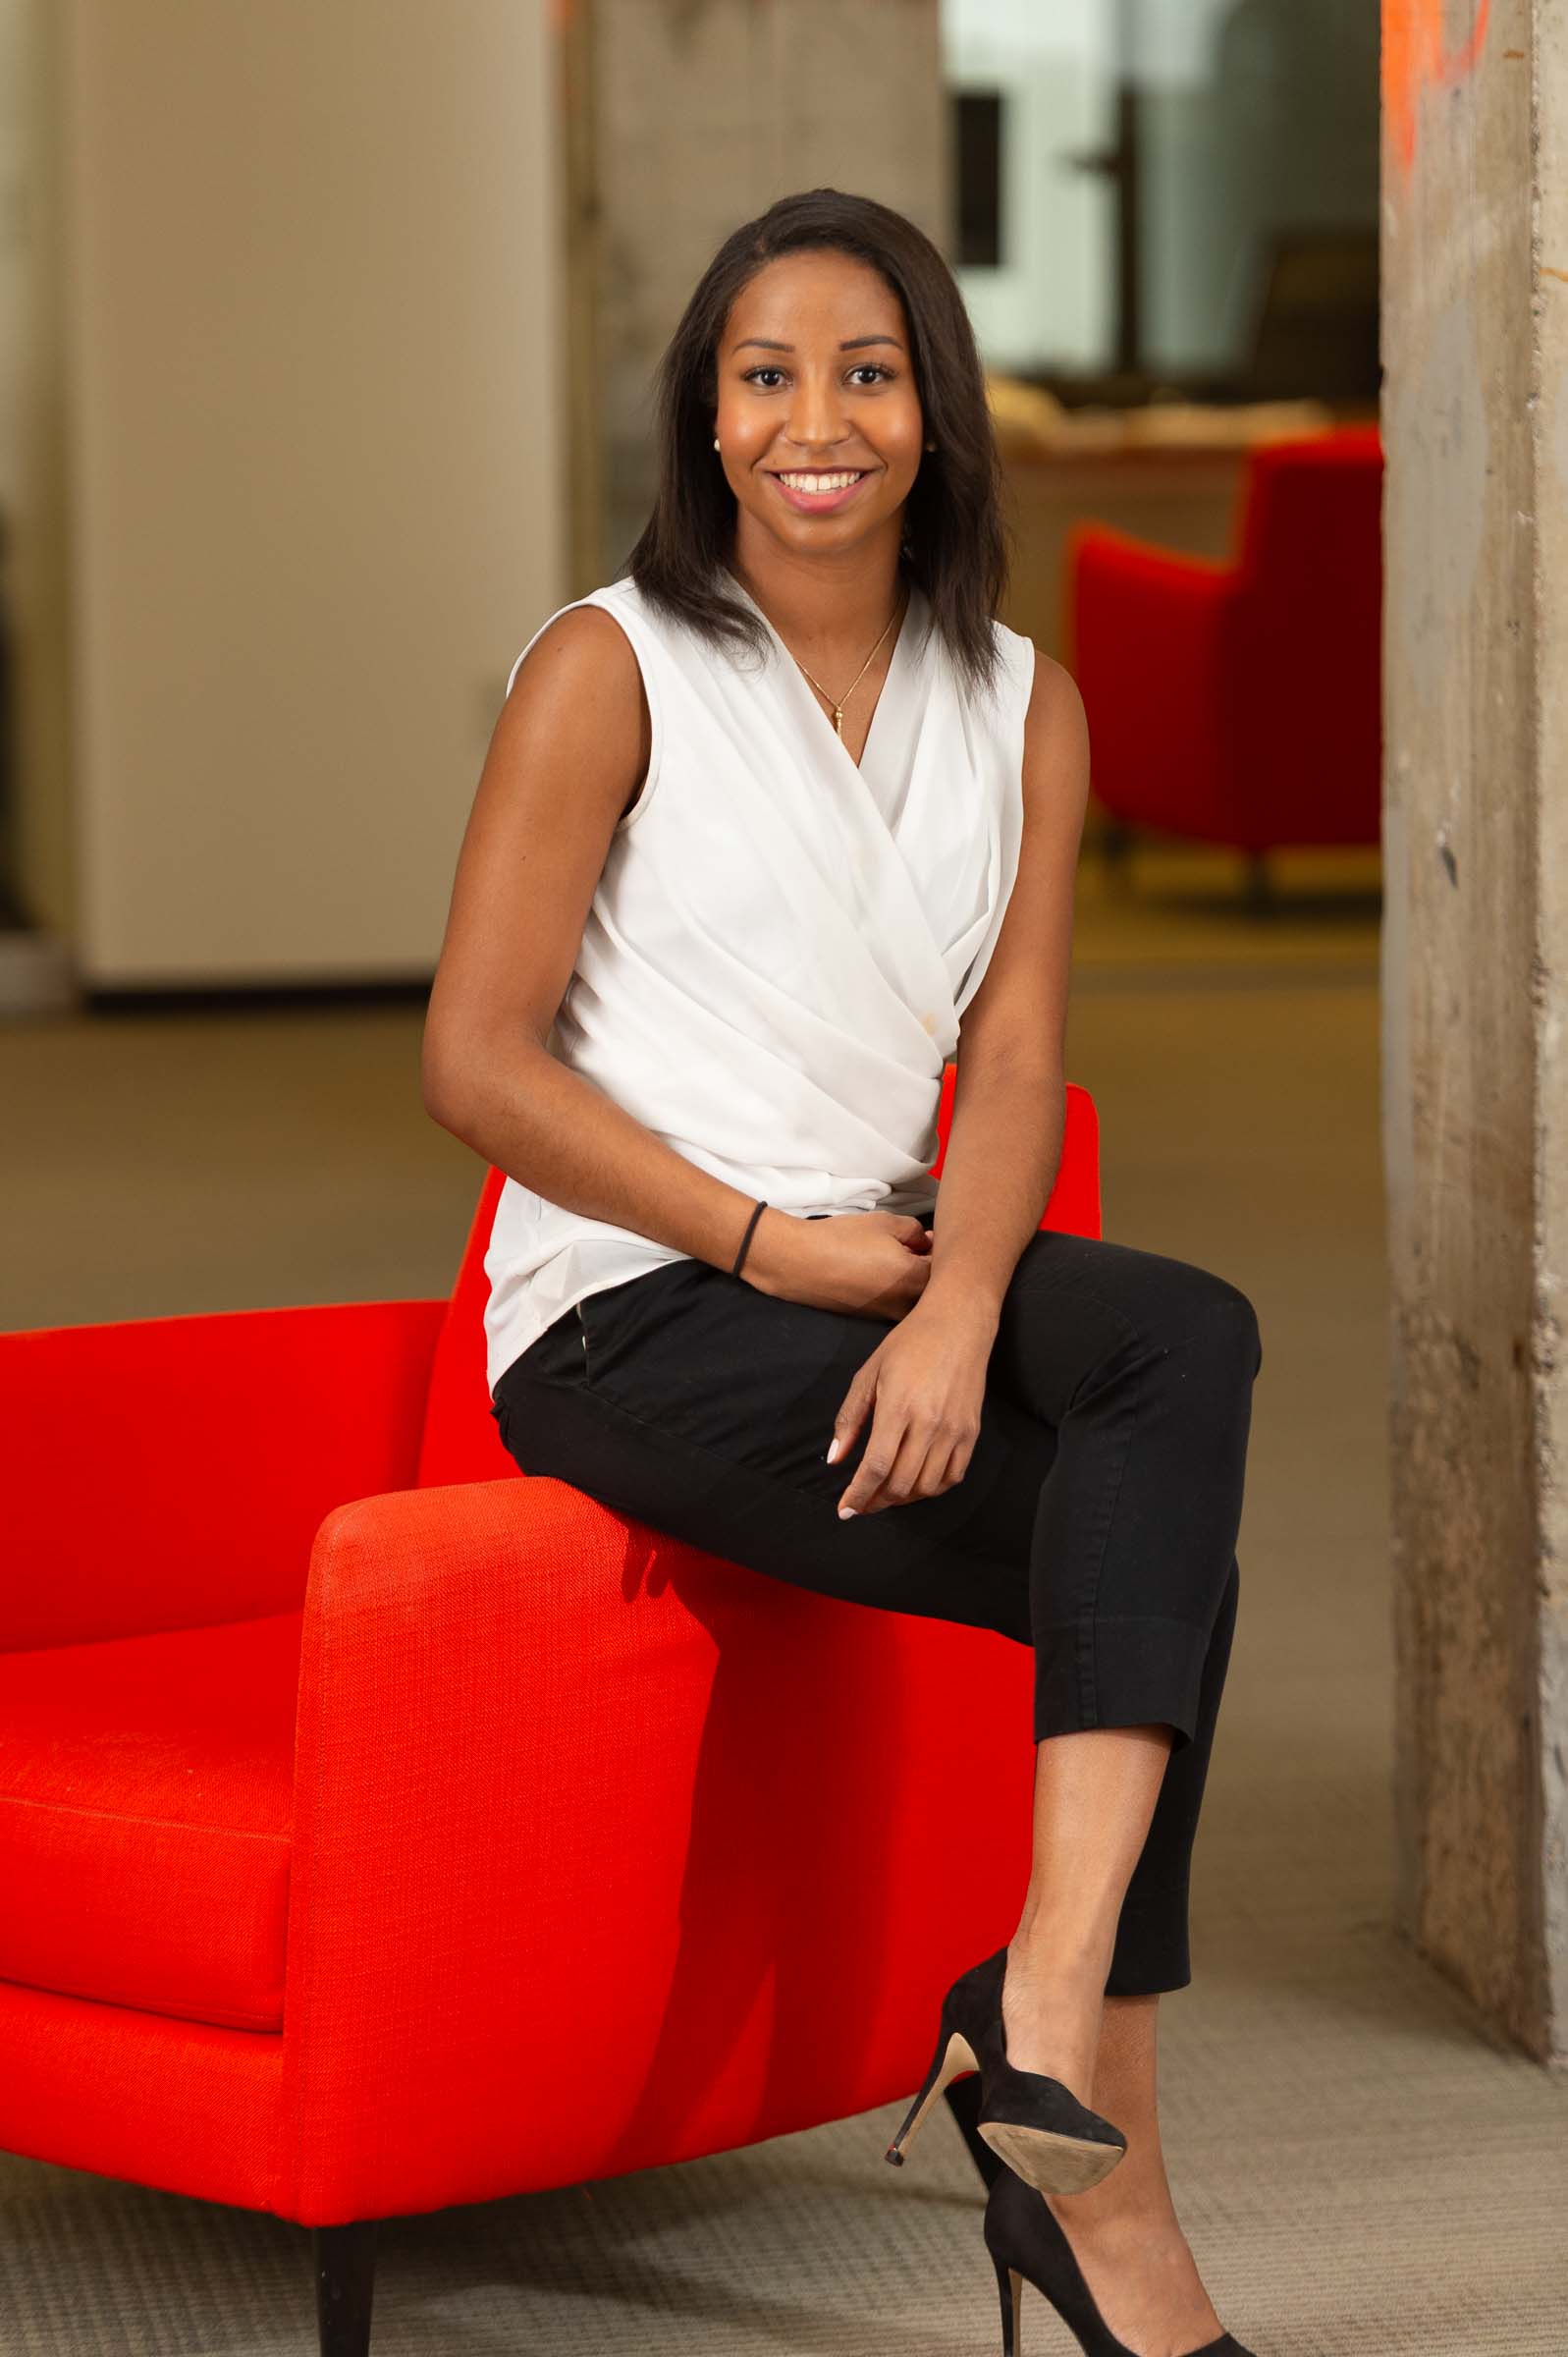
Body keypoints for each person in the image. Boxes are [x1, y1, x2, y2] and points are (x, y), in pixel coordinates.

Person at [421, 187, 1262, 2357]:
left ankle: (1043, 2004)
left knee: (1178, 1352)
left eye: (866, 373)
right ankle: (1108, 2197)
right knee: (1159, 1556)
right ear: (708, 422)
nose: (819, 421)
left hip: (886, 1280)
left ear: (932, 410)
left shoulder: (1020, 703)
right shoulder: (610, 665)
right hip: (634, 1306)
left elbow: (1018, 1065)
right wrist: (770, 1243)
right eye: (766, 375)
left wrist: (961, 1307)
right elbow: (474, 1058)